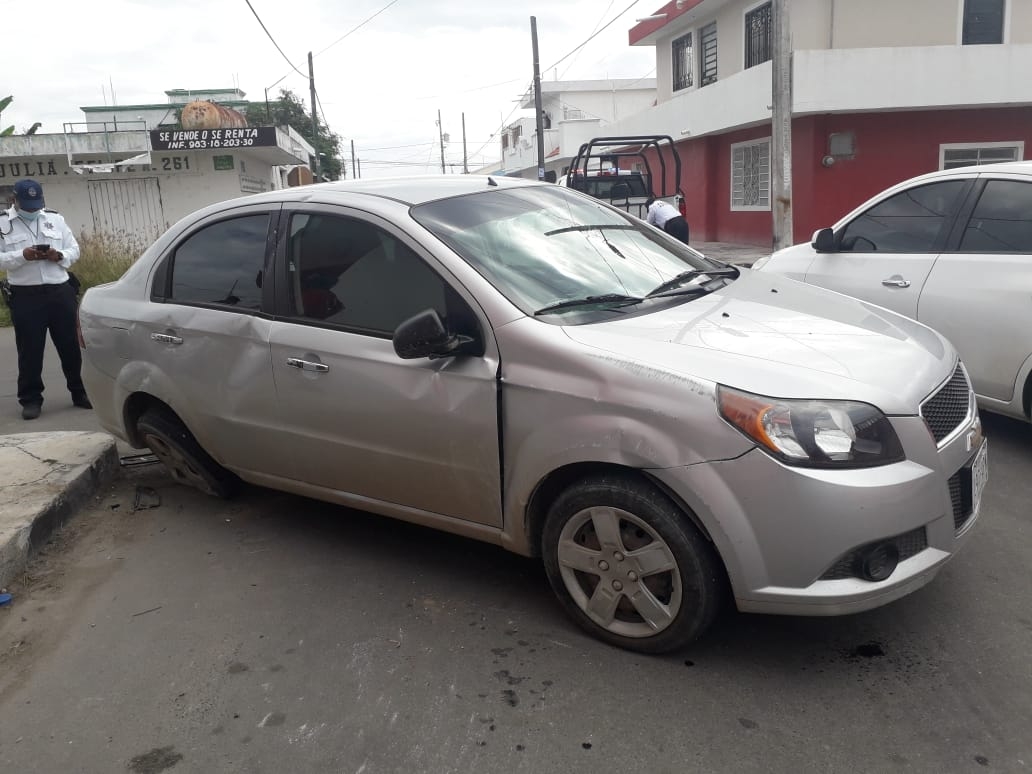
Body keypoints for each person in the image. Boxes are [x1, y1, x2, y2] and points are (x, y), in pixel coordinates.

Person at [0, 179, 91, 420]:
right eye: (27, 205)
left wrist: (58, 255)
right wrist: (22, 255)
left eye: (36, 204)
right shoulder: (2, 224)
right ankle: (31, 400)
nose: (32, 209)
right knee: (30, 350)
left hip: (60, 291)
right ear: (14, 200)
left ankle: (80, 392)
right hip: (25, 295)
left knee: (70, 345)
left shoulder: (55, 219)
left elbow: (74, 249)